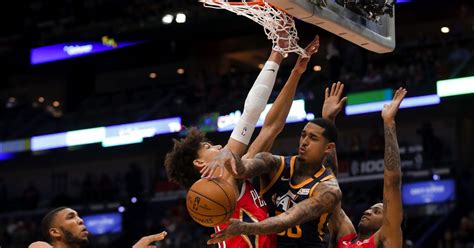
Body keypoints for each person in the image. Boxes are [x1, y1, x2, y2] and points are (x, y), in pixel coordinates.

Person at [165, 35, 321, 248]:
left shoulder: (238, 173)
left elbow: (271, 128)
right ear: (199, 164)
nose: (219, 147)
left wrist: (296, 72)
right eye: (208, 147)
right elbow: (249, 116)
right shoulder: (224, 178)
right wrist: (277, 52)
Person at [204, 84, 348, 247]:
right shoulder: (275, 163)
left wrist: (245, 227)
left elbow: (288, 219)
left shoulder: (329, 190)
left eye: (313, 138)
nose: (305, 142)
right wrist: (230, 155)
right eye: (303, 135)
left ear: (328, 148)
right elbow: (245, 168)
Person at [329, 88, 406, 248]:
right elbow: (328, 185)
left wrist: (389, 123)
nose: (368, 211)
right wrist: (328, 121)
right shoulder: (346, 237)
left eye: (377, 211)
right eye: (371, 209)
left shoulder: (385, 238)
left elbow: (392, 184)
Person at [29, 206, 167, 248]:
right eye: (71, 217)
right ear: (55, 232)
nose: (80, 220)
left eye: (78, 216)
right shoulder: (38, 246)